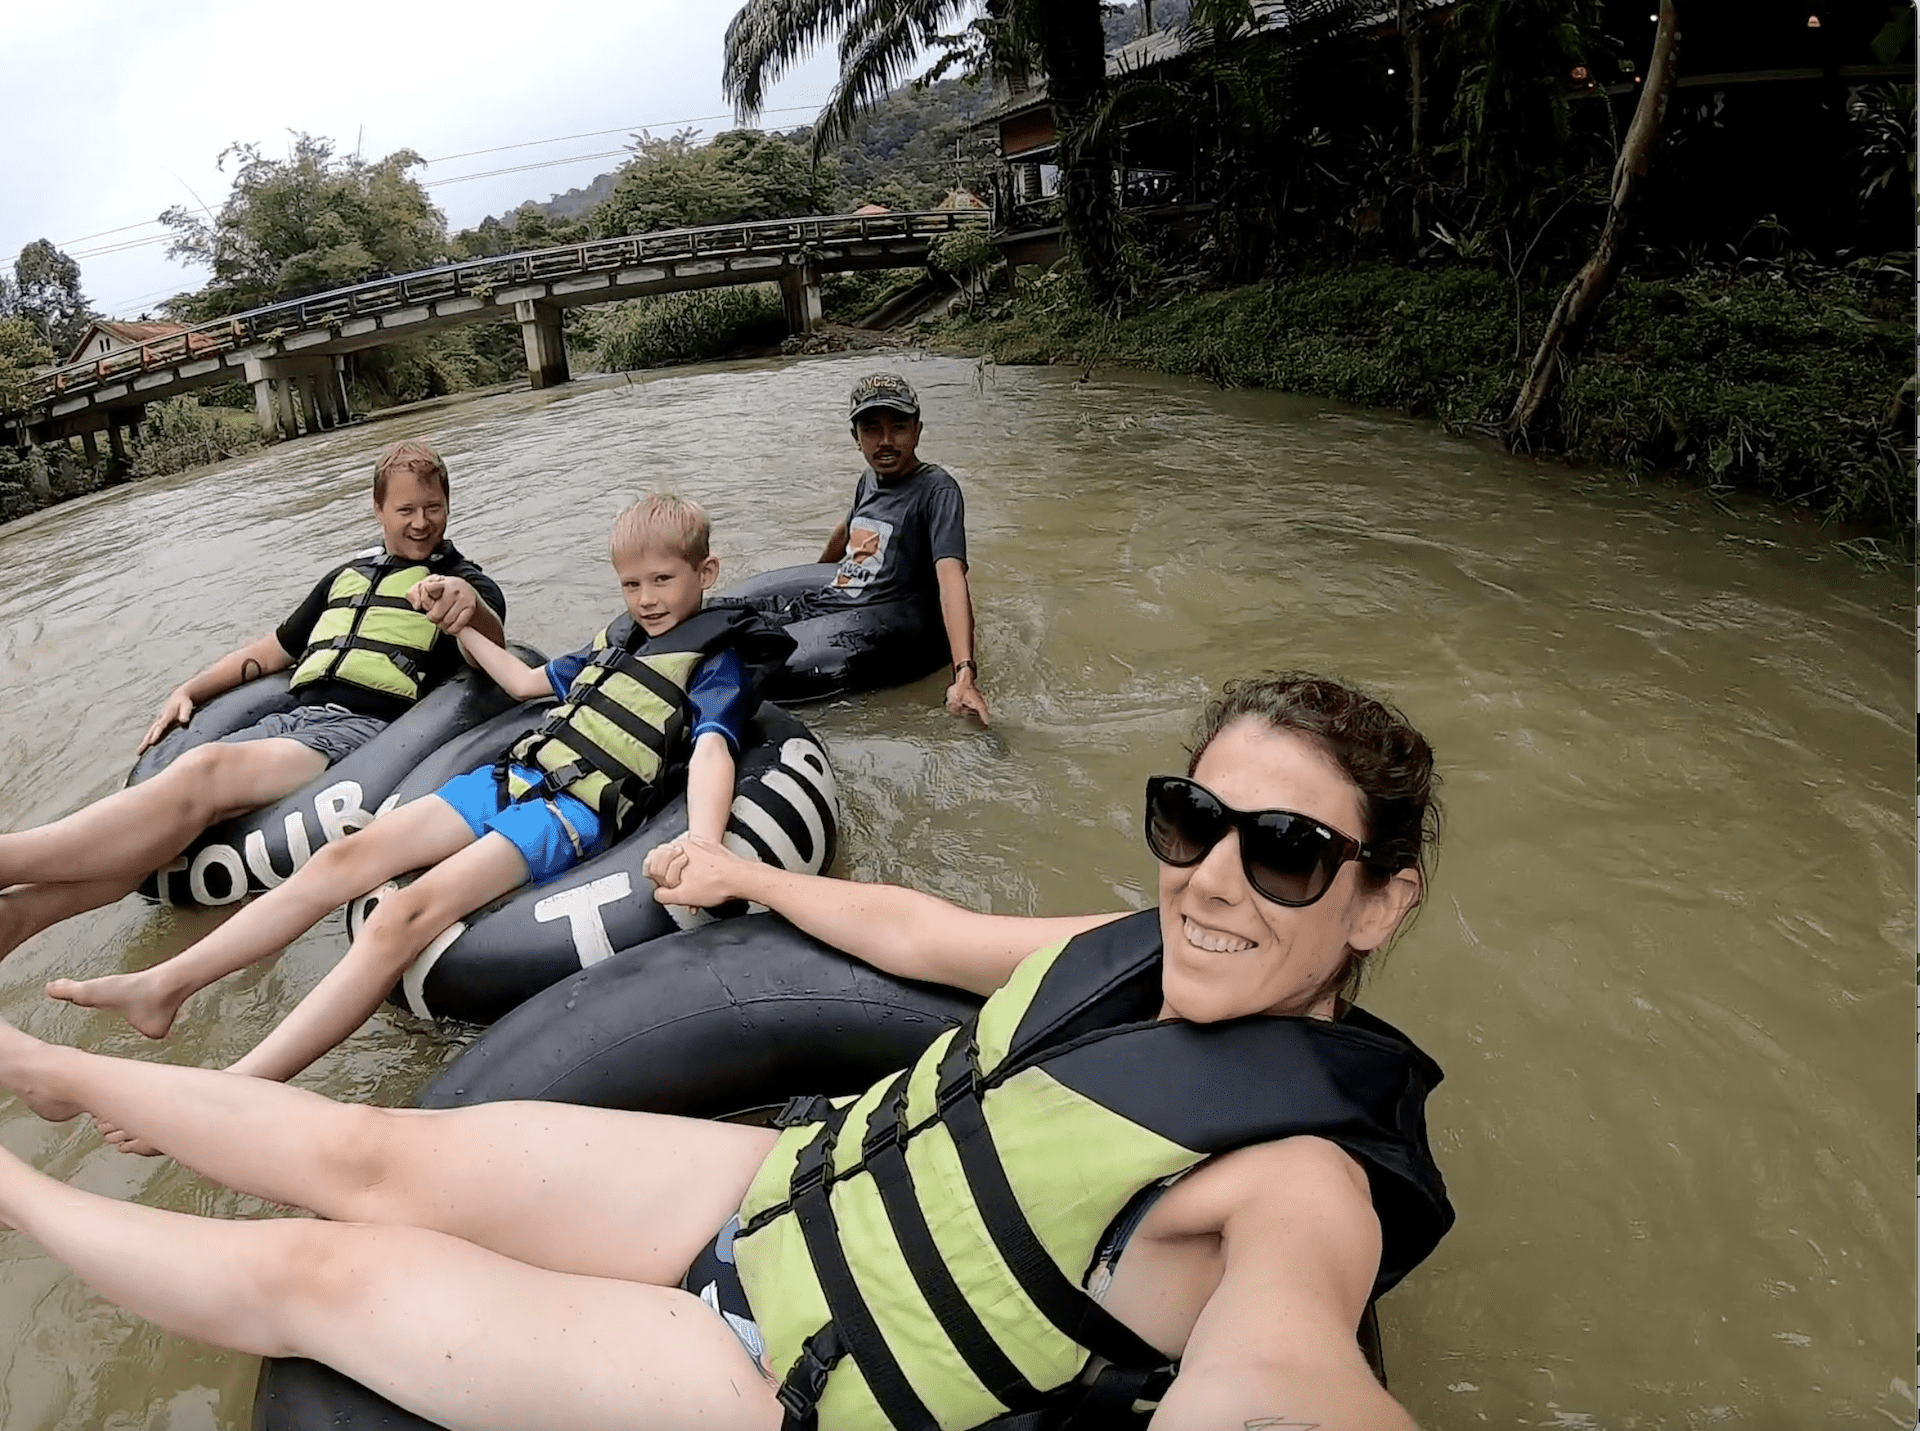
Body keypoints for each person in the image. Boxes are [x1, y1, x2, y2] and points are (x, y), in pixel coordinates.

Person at [0, 672, 1452, 1430]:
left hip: (777, 1374)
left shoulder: (1303, 1181)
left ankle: (20, 1192)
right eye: (1192, 823)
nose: (1211, 878)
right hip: (777, 1183)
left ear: (1384, 893)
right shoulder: (1137, 943)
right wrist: (754, 878)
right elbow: (924, 930)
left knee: (315, 1271)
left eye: (1285, 851)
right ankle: (36, 1067)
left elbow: (1277, 1374)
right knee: (376, 1152)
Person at [46, 493, 795, 1095]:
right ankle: (163, 984)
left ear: (708, 570)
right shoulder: (618, 639)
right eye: (632, 584)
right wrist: (464, 625)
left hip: (563, 814)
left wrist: (702, 841)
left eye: (663, 581)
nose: (647, 599)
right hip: (507, 777)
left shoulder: (717, 660)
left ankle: (244, 1083)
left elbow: (710, 750)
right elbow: (527, 684)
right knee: (344, 861)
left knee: (401, 916)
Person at [0, 438, 504, 962]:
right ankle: (18, 917)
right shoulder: (345, 579)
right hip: (293, 719)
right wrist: (189, 690)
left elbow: (491, 647)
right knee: (174, 815)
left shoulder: (463, 584)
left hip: (356, 734)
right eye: (406, 509)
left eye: (433, 507)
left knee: (205, 769)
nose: (422, 522)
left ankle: (10, 857)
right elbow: (274, 651)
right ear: (378, 509)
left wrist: (467, 607)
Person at [746, 372, 990, 725]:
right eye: (872, 429)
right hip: (837, 600)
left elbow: (951, 573)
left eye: (899, 427)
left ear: (918, 431)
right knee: (734, 621)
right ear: (856, 438)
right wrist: (811, 577)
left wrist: (964, 672)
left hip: (889, 620)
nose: (886, 441)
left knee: (751, 658)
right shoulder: (869, 479)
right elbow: (847, 530)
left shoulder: (937, 490)